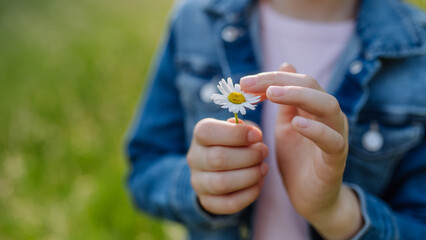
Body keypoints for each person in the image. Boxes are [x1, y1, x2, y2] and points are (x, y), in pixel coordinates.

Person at [125, 0, 426, 239]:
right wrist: (201, 187)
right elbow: (145, 166)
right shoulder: (194, 19)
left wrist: (338, 212)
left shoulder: (418, 50)